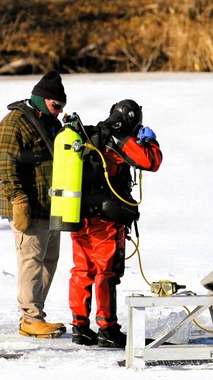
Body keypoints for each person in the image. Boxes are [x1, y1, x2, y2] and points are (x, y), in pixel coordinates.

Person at [69, 100, 163, 348]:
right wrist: (151, 142)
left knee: (82, 271)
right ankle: (107, 329)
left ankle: (80, 328)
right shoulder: (119, 137)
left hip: (78, 216)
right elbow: (151, 161)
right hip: (105, 221)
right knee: (106, 273)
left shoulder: (90, 134)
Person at [0, 70, 69, 338]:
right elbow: (4, 166)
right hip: (28, 205)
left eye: (62, 106)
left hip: (51, 206)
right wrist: (19, 199)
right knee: (31, 261)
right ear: (42, 99)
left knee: (49, 261)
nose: (60, 111)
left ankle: (36, 315)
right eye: (56, 105)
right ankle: (30, 318)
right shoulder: (14, 123)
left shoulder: (52, 124)